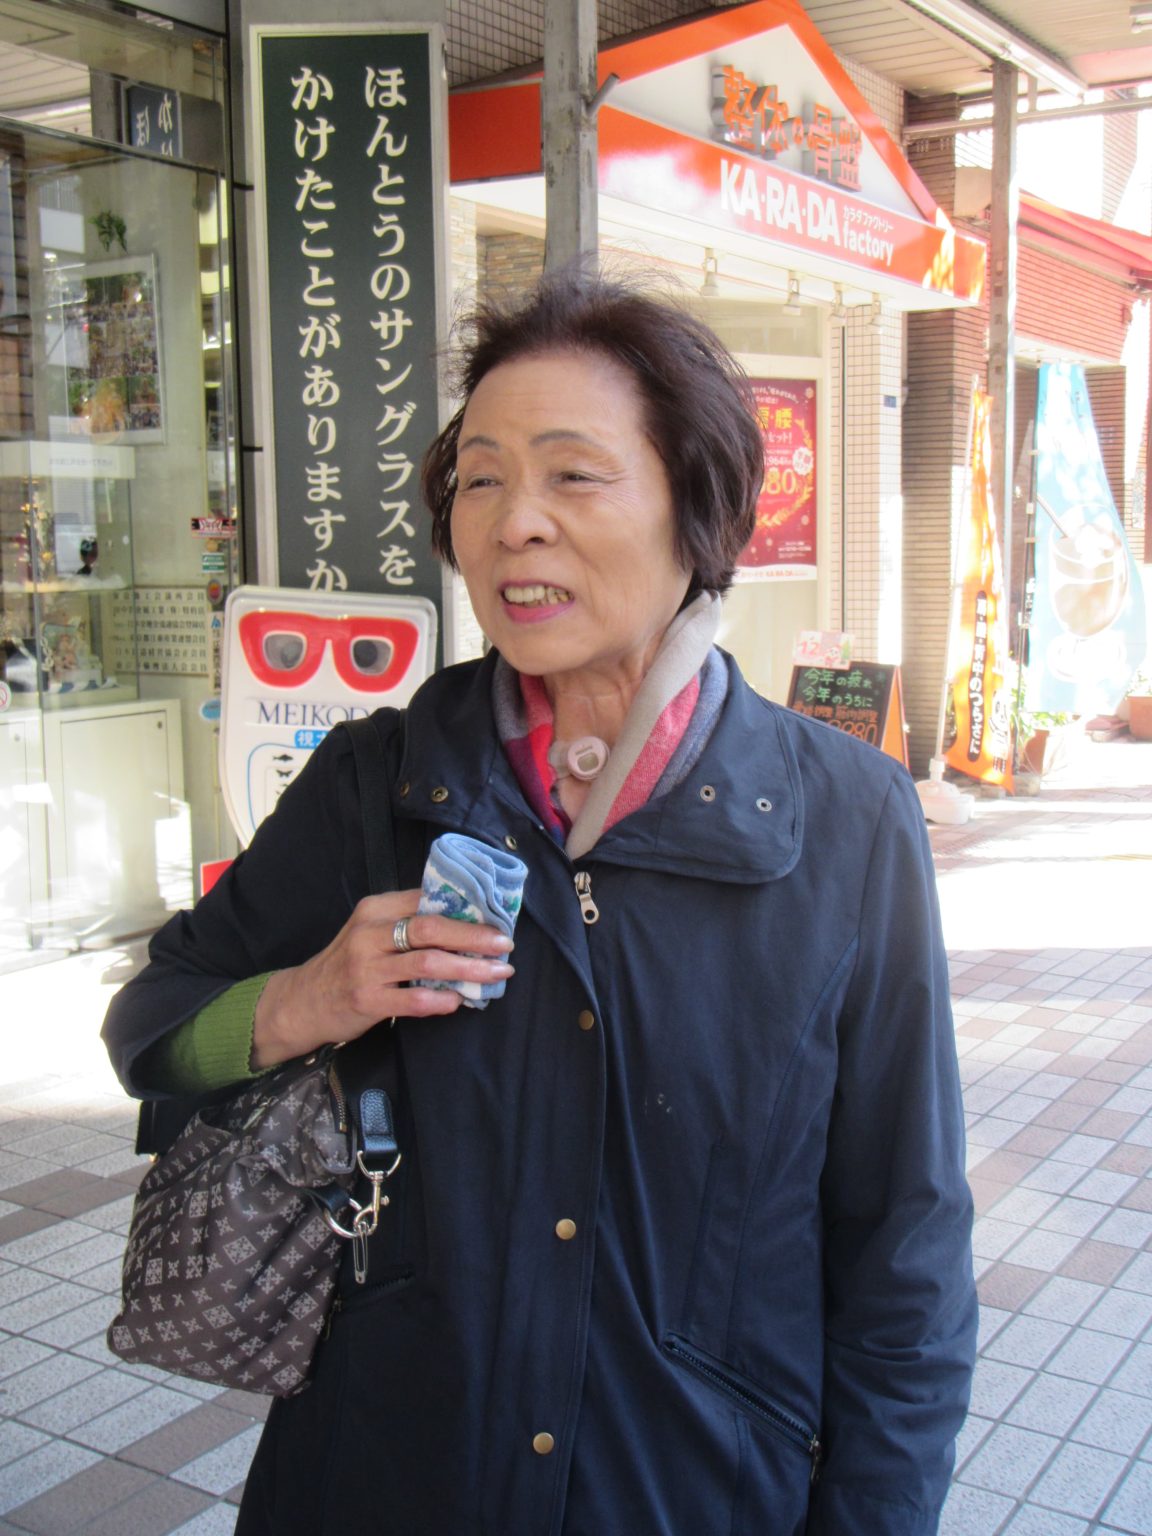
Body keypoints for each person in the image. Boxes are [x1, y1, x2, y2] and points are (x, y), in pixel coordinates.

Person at [102, 272, 975, 1536]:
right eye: (482, 480)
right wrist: (304, 1000)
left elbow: (905, 1241)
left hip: (694, 1496)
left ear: (696, 507)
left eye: (574, 475)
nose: (516, 524)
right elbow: (152, 1030)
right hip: (382, 1484)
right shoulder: (375, 785)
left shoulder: (844, 820)